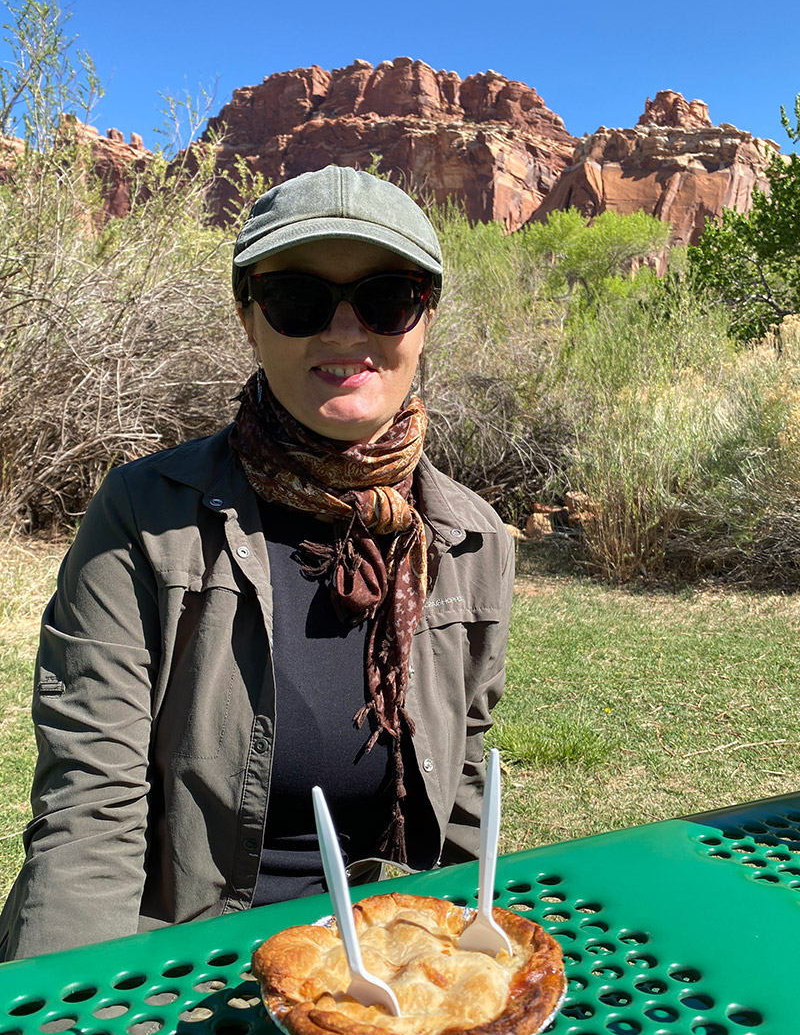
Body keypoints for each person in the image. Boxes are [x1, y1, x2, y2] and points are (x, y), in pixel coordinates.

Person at [0, 165, 515, 961]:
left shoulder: (471, 539)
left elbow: (467, 787)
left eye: (385, 298)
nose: (345, 330)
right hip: (186, 964)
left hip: (401, 959)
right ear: (249, 318)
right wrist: (72, 1018)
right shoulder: (144, 517)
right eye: (298, 299)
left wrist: (471, 964)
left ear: (425, 317)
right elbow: (88, 812)